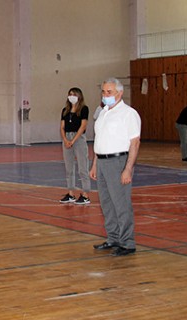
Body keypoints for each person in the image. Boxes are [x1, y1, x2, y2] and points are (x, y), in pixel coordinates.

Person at [89, 78, 141, 257]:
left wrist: (128, 168)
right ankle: (113, 238)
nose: (105, 95)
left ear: (120, 93)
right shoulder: (103, 112)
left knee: (121, 203)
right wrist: (95, 164)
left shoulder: (128, 114)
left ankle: (127, 242)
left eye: (109, 92)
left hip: (118, 162)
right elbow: (99, 139)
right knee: (107, 203)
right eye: (103, 92)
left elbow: (135, 142)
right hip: (102, 162)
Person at [59, 88, 91, 205]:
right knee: (69, 168)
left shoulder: (84, 109)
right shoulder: (65, 110)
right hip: (67, 138)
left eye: (74, 94)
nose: (71, 96)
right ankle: (71, 193)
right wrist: (66, 139)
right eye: (70, 94)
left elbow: (83, 126)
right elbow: (62, 127)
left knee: (83, 167)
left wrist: (73, 140)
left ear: (79, 96)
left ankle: (85, 194)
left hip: (78, 139)